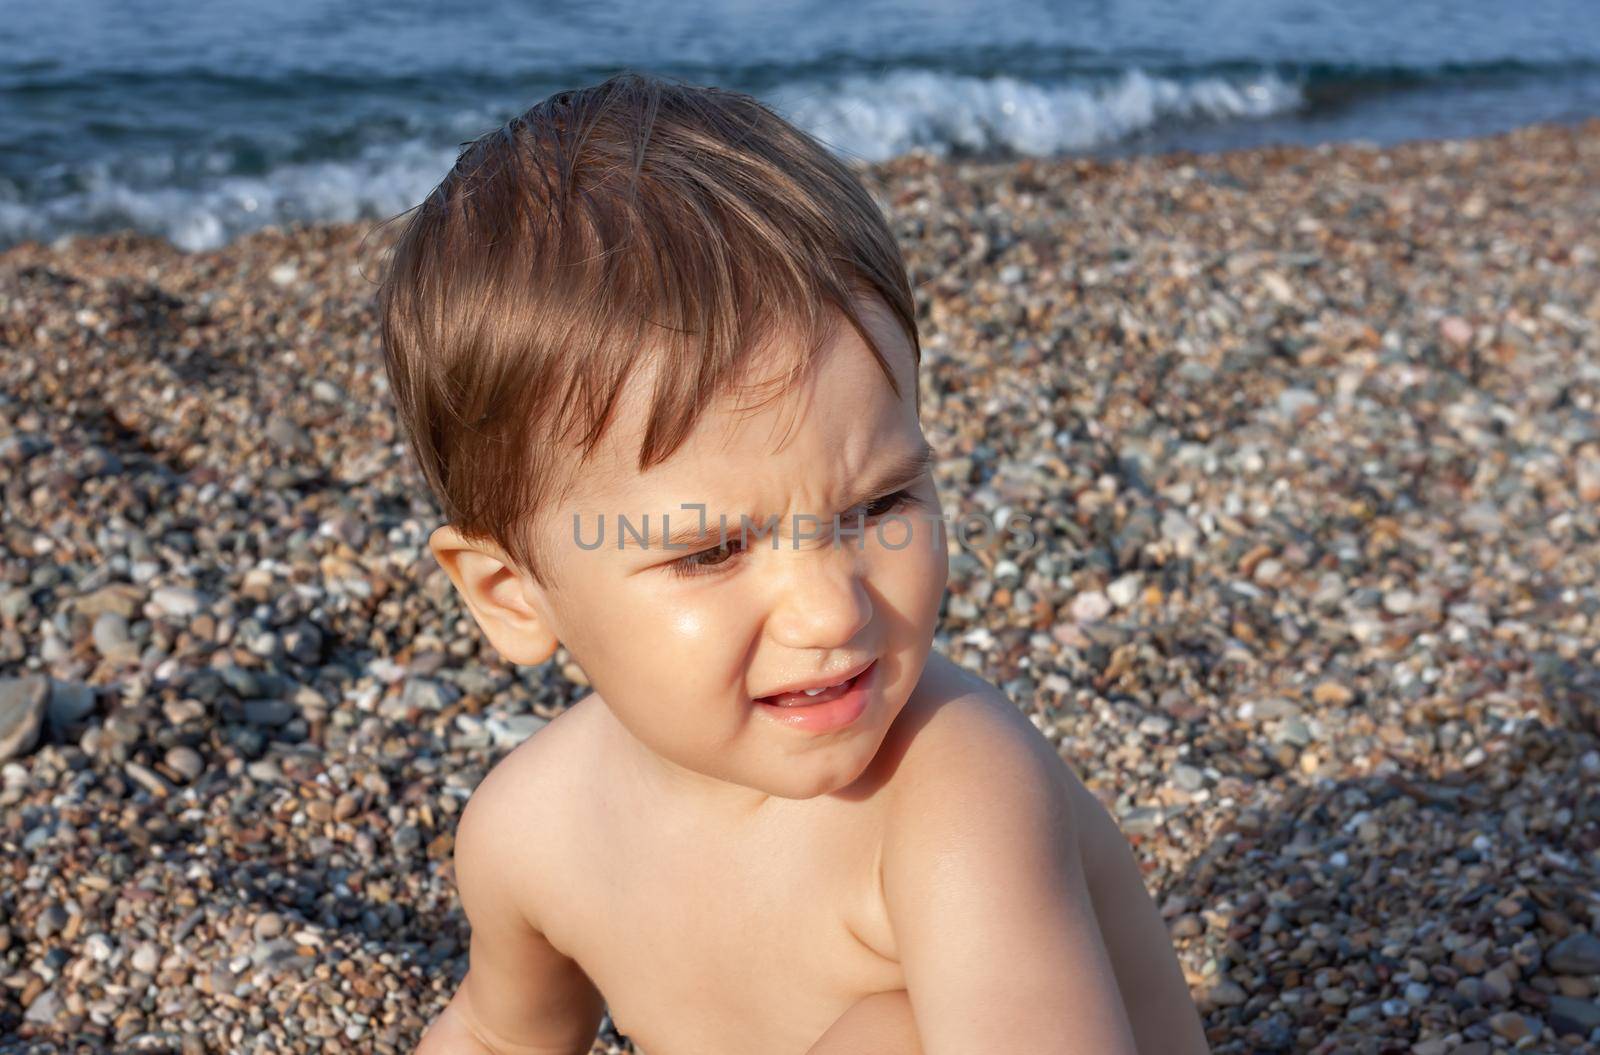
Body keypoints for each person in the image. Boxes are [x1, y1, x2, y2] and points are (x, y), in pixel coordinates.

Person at [378, 70, 1209, 1055]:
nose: (828, 609)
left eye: (880, 503)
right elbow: (496, 1034)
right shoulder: (530, 829)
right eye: (714, 547)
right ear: (510, 595)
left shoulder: (950, 787)